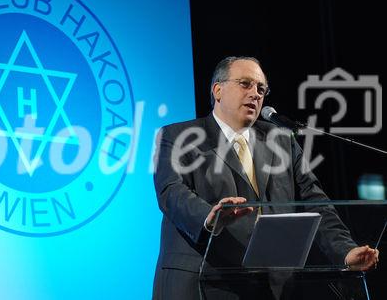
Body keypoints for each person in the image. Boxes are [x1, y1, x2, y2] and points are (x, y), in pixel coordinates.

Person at [152, 56, 379, 300]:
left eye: (261, 88)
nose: (256, 94)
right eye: (245, 84)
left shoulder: (281, 140)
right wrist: (208, 217)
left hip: (270, 288)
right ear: (218, 90)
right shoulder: (178, 136)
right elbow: (171, 191)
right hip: (203, 283)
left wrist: (346, 251)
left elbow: (315, 201)